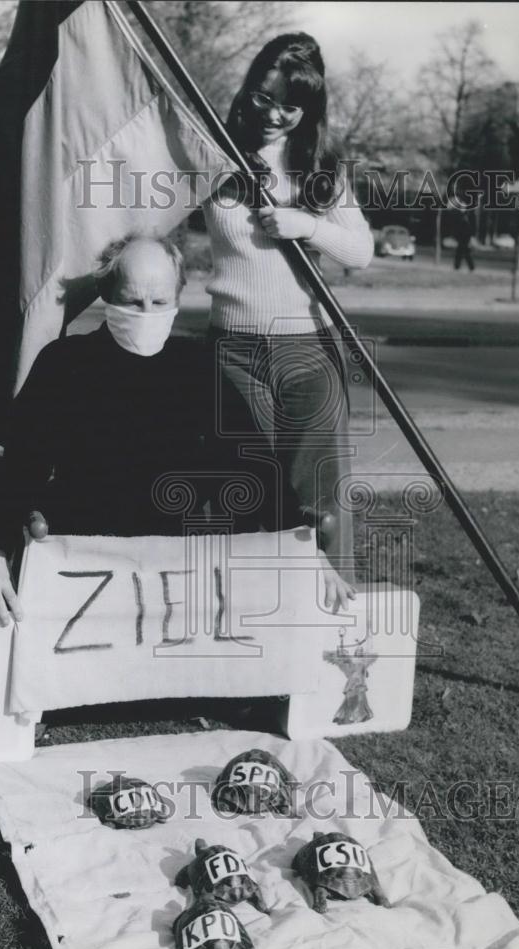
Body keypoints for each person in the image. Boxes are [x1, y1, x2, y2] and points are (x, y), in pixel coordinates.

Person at [0, 235, 276, 626]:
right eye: (132, 302)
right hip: (81, 559)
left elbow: (254, 465)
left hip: (171, 566)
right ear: (107, 294)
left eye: (159, 302)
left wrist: (302, 543)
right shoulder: (64, 363)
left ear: (177, 297)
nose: (146, 313)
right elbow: (22, 465)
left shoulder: (197, 367)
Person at [203, 32, 374, 608]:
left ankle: (329, 626)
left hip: (307, 350)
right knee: (246, 489)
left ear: (309, 109)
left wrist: (307, 225)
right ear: (247, 90)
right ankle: (252, 621)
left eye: (290, 105)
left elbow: (361, 251)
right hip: (233, 349)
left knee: (318, 496)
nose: (273, 114)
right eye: (263, 97)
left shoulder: (319, 169)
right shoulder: (215, 153)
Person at [452, 200, 475, 271]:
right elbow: (457, 227)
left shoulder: (467, 215)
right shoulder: (459, 215)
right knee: (462, 252)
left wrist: (470, 236)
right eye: (461, 207)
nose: (462, 208)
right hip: (461, 237)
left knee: (463, 252)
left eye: (463, 207)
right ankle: (467, 267)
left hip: (466, 237)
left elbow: (470, 227)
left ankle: (459, 266)